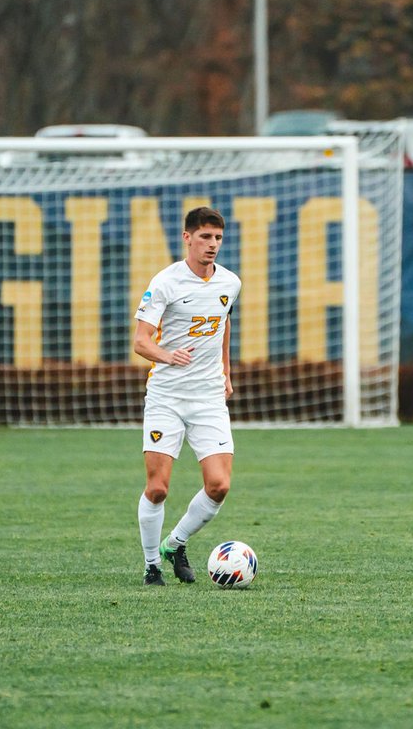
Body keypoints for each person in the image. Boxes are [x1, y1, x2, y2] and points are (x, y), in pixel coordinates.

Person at [132, 206, 241, 586]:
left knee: (219, 485)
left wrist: (226, 371)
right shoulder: (165, 283)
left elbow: (223, 324)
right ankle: (150, 565)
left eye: (218, 238)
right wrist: (167, 355)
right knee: (158, 488)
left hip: (208, 397)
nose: (212, 245)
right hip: (167, 395)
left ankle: (175, 544)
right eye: (206, 237)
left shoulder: (230, 283)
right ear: (188, 238)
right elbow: (141, 341)